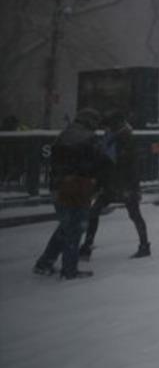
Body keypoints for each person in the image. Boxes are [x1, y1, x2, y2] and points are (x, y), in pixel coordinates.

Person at [33, 108, 108, 279]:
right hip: (77, 187)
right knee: (76, 227)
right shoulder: (89, 139)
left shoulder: (65, 135)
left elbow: (55, 160)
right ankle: (69, 269)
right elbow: (95, 164)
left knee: (66, 226)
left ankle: (45, 263)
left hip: (58, 186)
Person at [79, 112, 150, 260]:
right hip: (117, 185)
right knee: (133, 215)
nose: (107, 129)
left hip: (119, 185)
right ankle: (144, 245)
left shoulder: (120, 140)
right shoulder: (117, 138)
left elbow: (125, 166)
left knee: (99, 213)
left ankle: (87, 246)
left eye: (109, 126)